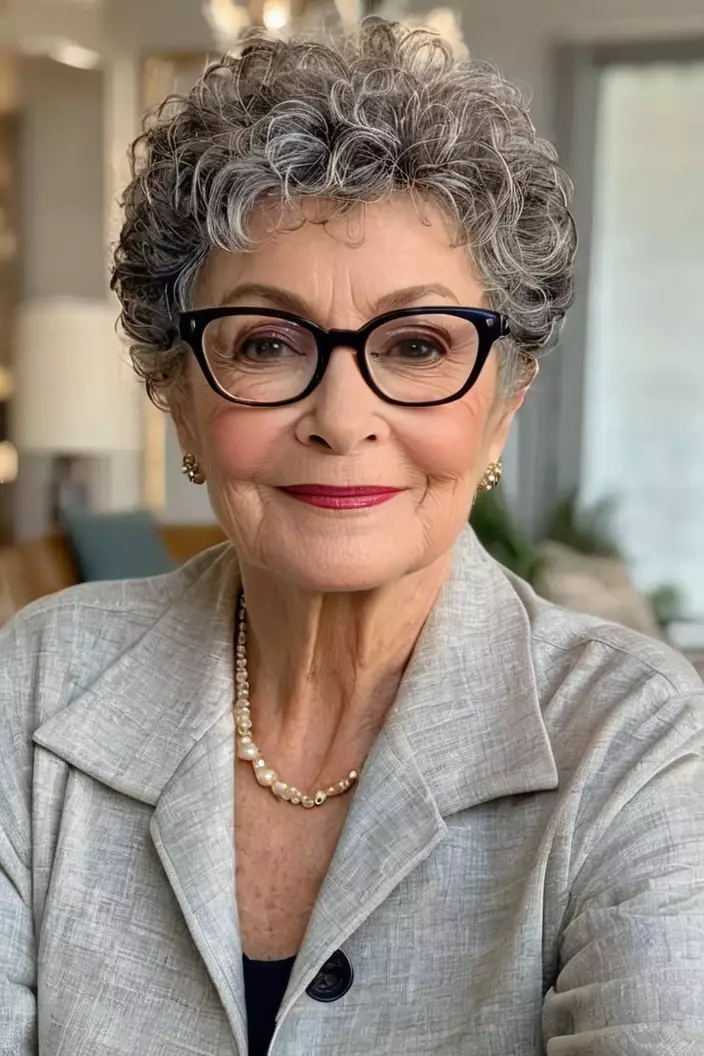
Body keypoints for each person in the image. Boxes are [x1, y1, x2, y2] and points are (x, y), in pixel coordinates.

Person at [2, 19, 703, 1056]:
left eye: (417, 344)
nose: (341, 415)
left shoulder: (638, 749)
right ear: (179, 398)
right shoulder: (32, 690)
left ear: (503, 403)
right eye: (267, 344)